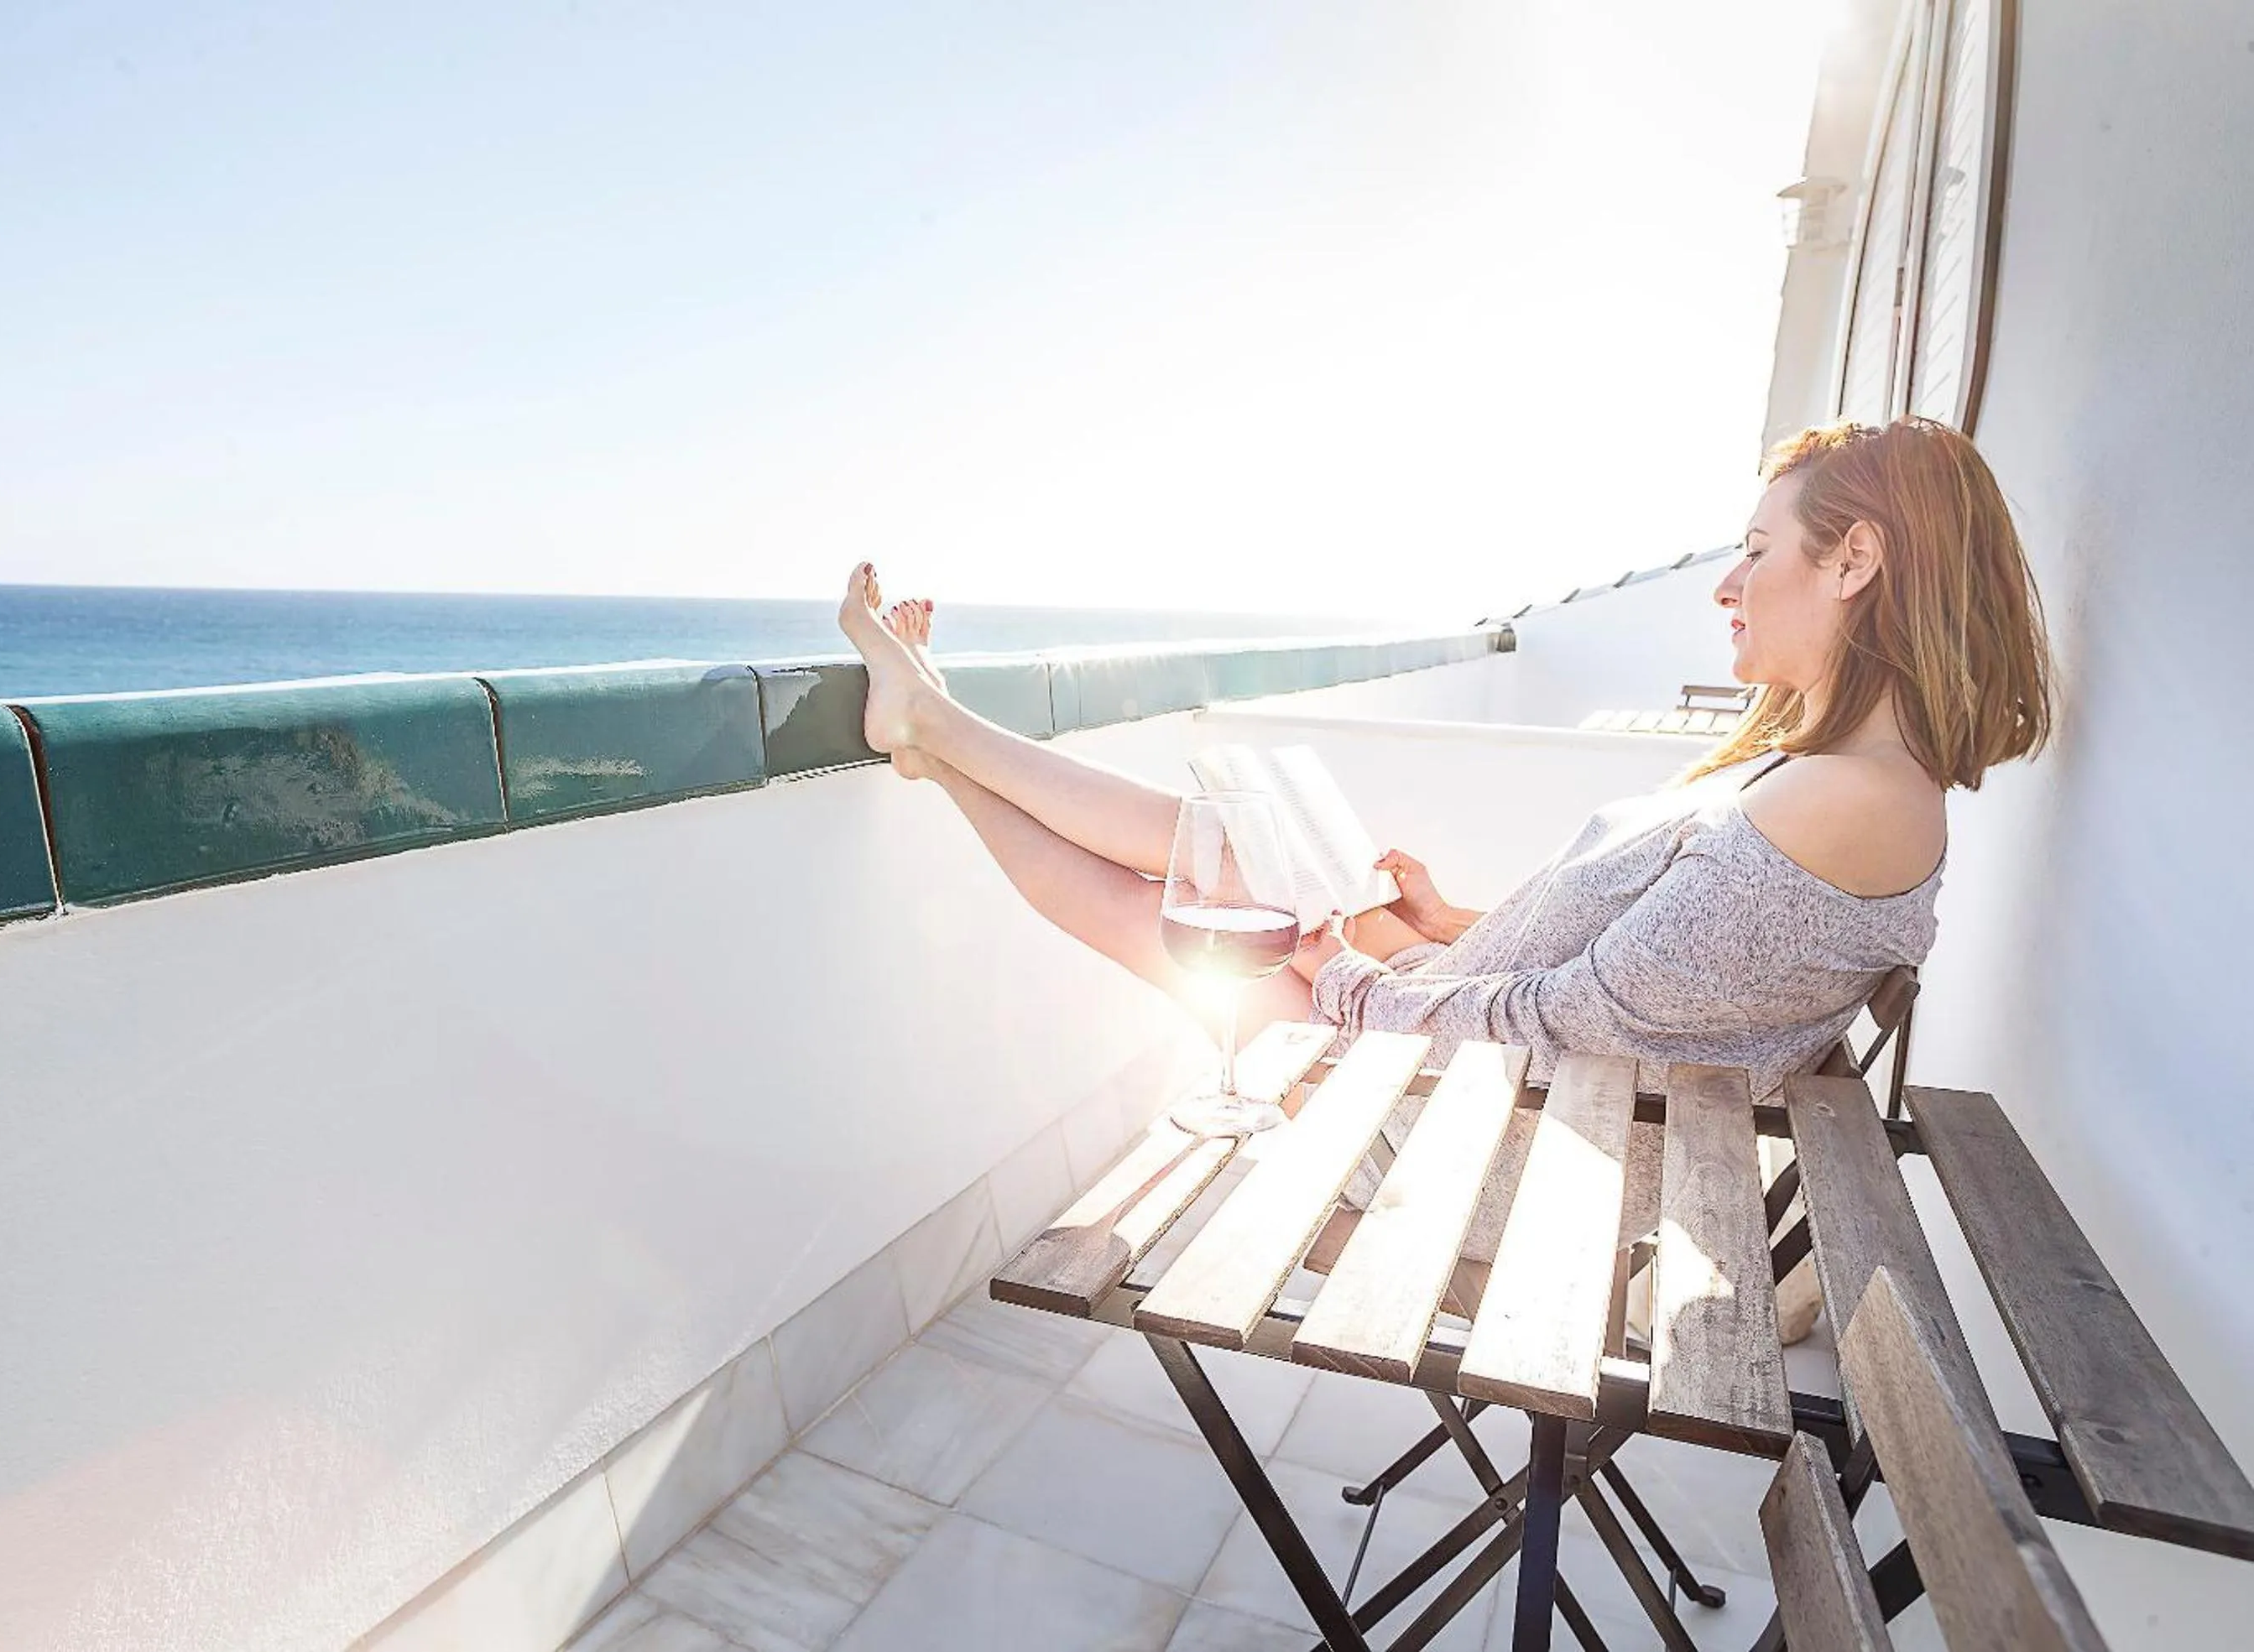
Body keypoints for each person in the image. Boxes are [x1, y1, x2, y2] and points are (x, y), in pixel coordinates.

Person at [837, 418, 2054, 1293]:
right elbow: (1660, 981)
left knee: (1190, 893)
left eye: (1758, 548)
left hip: (1500, 1146)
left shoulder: (1847, 800)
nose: (1729, 583)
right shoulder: (1827, 779)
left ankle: (935, 737)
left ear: (1856, 560)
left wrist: (1347, 982)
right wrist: (1433, 922)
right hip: (1497, 1072)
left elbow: (1584, 1026)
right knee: (1229, 849)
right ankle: (935, 739)